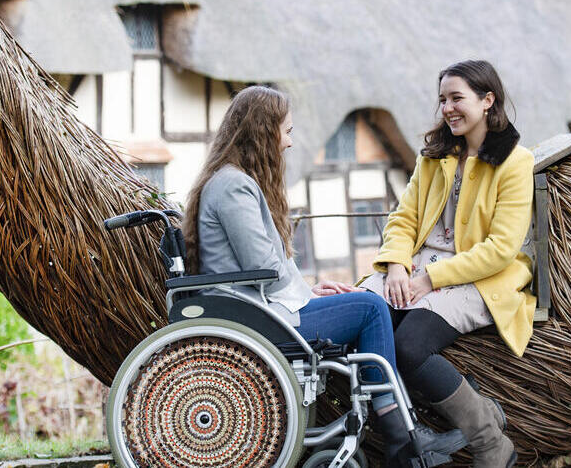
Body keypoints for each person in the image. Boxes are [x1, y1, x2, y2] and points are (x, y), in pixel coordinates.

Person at [182, 85, 465, 467]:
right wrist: (308, 296)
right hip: (254, 319)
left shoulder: (229, 181)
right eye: (287, 131)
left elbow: (261, 268)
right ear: (264, 132)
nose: (289, 142)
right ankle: (401, 436)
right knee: (370, 306)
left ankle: (402, 434)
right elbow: (261, 263)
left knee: (365, 303)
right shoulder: (233, 186)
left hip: (257, 309)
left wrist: (311, 290)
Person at [359, 60, 535, 468]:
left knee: (409, 347)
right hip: (416, 267)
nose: (448, 108)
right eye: (443, 100)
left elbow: (501, 248)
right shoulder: (433, 157)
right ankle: (405, 442)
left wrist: (430, 280)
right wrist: (399, 267)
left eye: (457, 98)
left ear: (488, 100)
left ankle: (490, 440)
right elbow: (402, 219)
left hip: (478, 277)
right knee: (363, 318)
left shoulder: (515, 160)